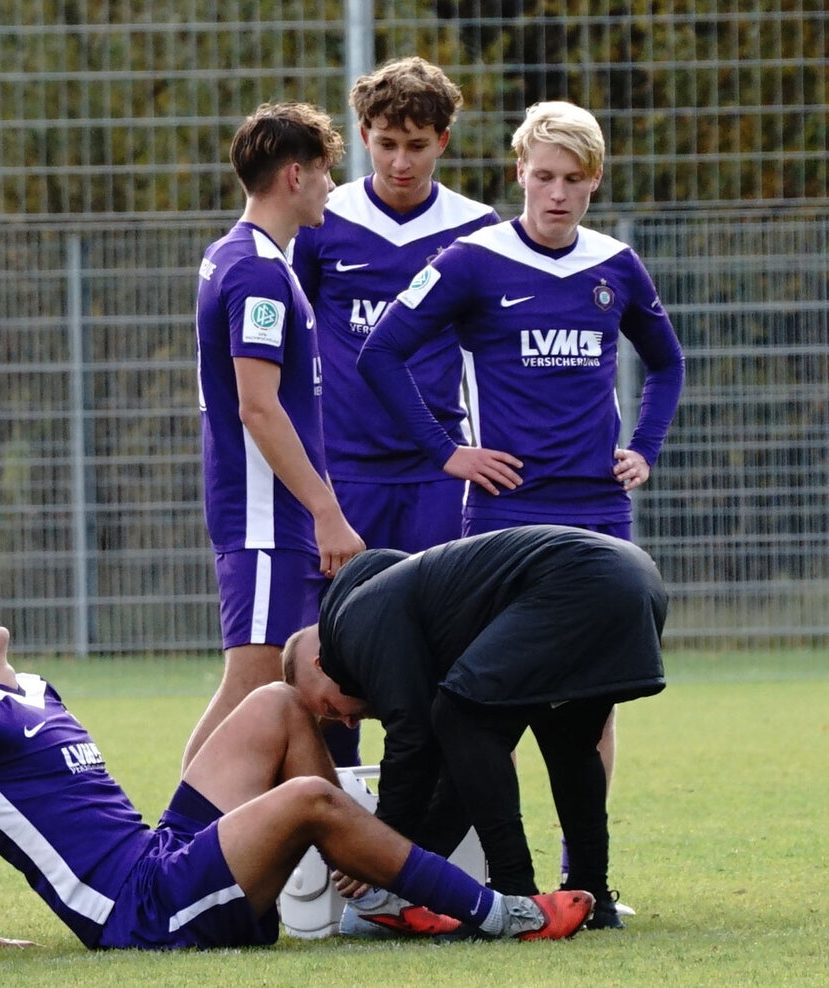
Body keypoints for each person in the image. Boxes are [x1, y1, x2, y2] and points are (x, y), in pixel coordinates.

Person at [0, 586, 595, 960]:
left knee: (276, 701)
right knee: (309, 797)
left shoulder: (29, 693)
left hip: (158, 857)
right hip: (140, 912)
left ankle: (366, 892)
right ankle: (506, 914)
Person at [356, 99, 685, 892]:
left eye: (574, 179)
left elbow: (667, 363)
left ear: (594, 181)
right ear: (519, 174)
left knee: (591, 704)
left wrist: (642, 449)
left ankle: (584, 876)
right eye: (543, 176)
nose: (558, 193)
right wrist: (448, 453)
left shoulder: (616, 265)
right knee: (488, 701)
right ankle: (487, 877)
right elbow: (381, 352)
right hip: (504, 515)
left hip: (600, 516)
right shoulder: (473, 260)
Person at [283, 525, 668, 933]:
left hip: (580, 579)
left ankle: (515, 896)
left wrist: (375, 846)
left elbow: (413, 736)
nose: (345, 720)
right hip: (632, 578)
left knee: (460, 717)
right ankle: (593, 897)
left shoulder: (354, 620)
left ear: (319, 664)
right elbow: (455, 768)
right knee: (566, 741)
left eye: (327, 707)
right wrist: (405, 871)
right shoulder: (412, 606)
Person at [290, 57, 498, 767]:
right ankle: (336, 829)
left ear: (444, 140)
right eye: (385, 142)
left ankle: (432, 834)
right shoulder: (324, 221)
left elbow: (493, 354)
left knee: (442, 651)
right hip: (341, 470)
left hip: (439, 472)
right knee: (334, 652)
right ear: (363, 135)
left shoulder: (477, 229)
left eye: (416, 143)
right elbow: (290, 342)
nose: (400, 160)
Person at [185, 101, 365, 772]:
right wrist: (326, 512)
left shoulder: (253, 259)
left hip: (274, 516)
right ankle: (169, 851)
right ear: (295, 174)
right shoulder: (257, 270)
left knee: (276, 691)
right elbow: (257, 408)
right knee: (254, 685)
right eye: (324, 171)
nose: (330, 186)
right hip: (263, 518)